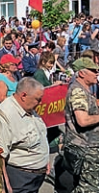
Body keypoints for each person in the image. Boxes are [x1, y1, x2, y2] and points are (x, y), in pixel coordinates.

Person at [0, 77, 49, 193]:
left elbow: (40, 135)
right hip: (21, 179)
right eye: (38, 99)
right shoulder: (6, 115)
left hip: (36, 177)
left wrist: (45, 160)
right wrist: (4, 186)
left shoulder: (28, 108)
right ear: (23, 95)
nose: (40, 103)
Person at [61, 57, 99, 192]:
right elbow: (82, 120)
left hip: (88, 148)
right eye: (93, 71)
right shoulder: (78, 91)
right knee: (89, 188)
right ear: (82, 73)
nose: (97, 73)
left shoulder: (84, 90)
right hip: (85, 149)